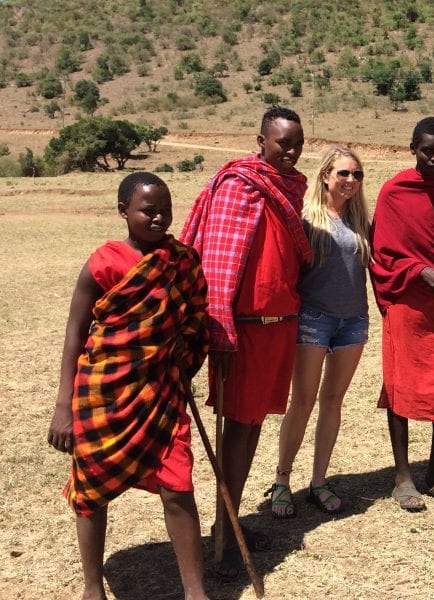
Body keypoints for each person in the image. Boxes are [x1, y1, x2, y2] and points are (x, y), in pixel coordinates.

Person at [47, 172, 209, 600]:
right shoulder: (103, 262)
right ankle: (92, 587)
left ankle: (196, 593)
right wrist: (63, 406)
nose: (159, 218)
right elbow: (75, 333)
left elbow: (195, 319)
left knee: (177, 485)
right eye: (147, 210)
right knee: (92, 488)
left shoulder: (183, 260)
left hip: (162, 393)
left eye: (165, 210)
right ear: (124, 212)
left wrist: (184, 353)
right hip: (103, 392)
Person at [179, 106, 311, 576]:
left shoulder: (291, 188)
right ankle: (222, 536)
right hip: (246, 330)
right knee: (236, 427)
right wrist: (219, 328)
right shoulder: (241, 185)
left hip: (279, 324)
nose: (291, 151)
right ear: (261, 141)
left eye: (297, 142)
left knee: (253, 425)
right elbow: (219, 261)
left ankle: (229, 521)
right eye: (282, 143)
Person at [371, 117, 434, 511]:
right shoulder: (395, 191)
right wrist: (416, 269)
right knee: (401, 387)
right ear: (413, 146)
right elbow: (382, 253)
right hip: (407, 302)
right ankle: (402, 477)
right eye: (427, 149)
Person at [269, 147, 369, 518]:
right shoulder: (307, 217)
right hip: (313, 318)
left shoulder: (360, 220)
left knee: (333, 402)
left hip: (354, 321)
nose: (350, 182)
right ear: (325, 175)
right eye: (343, 174)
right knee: (303, 401)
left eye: (357, 175)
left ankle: (318, 481)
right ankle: (282, 481)